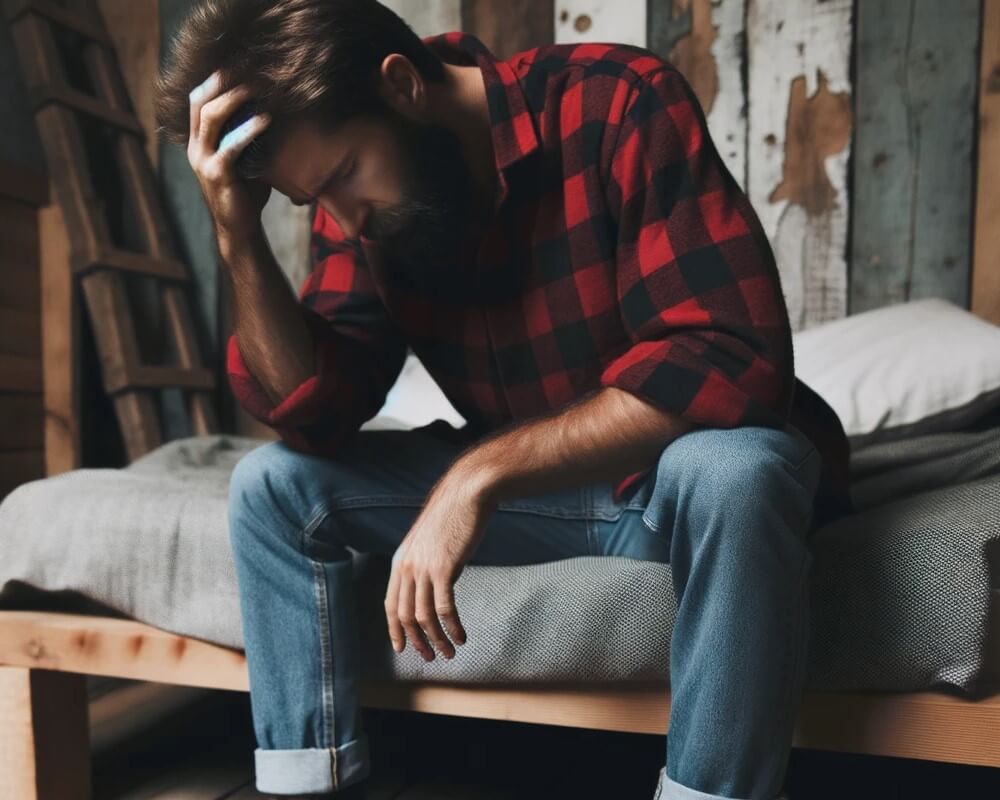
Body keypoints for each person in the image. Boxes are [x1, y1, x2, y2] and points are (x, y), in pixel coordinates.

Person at [155, 1, 854, 797]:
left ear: (401, 86)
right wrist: (236, 235)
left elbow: (730, 353)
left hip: (663, 481)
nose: (347, 222)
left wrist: (475, 476)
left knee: (741, 470)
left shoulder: (620, 98)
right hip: (539, 498)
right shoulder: (367, 217)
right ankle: (307, 789)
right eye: (316, 201)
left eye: (344, 175)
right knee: (268, 486)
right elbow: (314, 410)